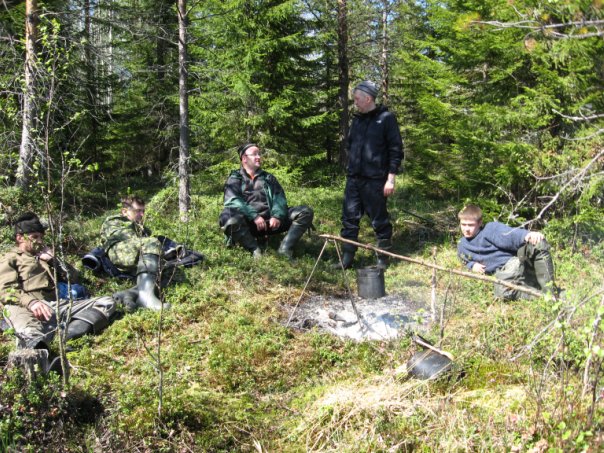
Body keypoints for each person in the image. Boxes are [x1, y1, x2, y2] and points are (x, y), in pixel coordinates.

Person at [0, 212, 117, 355]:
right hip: (24, 307)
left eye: (41, 237)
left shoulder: (44, 257)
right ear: (20, 238)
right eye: (34, 237)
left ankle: (65, 337)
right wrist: (31, 303)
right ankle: (41, 355)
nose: (39, 241)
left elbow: (73, 278)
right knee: (32, 338)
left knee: (106, 302)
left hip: (53, 306)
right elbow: (5, 290)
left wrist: (53, 260)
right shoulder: (9, 258)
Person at [338, 80, 404, 269]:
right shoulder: (357, 120)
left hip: (376, 181)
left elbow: (396, 150)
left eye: (357, 99)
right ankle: (347, 259)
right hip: (354, 179)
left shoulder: (386, 118)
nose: (355, 102)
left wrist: (390, 179)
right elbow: (350, 145)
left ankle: (383, 259)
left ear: (368, 99)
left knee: (379, 220)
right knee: (349, 219)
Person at [219, 143, 314, 259]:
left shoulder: (268, 178)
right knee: (227, 216)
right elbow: (233, 200)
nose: (258, 157)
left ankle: (284, 249)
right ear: (244, 158)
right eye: (254, 154)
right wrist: (254, 216)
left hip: (271, 223)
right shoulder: (235, 178)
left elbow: (279, 198)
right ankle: (254, 249)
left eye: (259, 154)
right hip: (248, 225)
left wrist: (277, 216)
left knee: (305, 212)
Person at [457, 204, 557, 300]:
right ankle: (543, 297)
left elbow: (510, 235)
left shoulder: (490, 229)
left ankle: (550, 292)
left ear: (480, 223)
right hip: (505, 274)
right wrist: (472, 265)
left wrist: (528, 235)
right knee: (501, 291)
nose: (466, 229)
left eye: (470, 225)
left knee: (538, 244)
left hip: (517, 263)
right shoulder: (462, 244)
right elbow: (463, 259)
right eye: (463, 224)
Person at [100, 196, 166, 311]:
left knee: (166, 268)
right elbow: (125, 237)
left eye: (143, 211)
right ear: (124, 211)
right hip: (120, 251)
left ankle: (131, 293)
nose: (142, 214)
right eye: (138, 211)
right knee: (151, 242)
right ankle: (146, 299)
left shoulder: (140, 227)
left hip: (134, 253)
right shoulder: (114, 221)